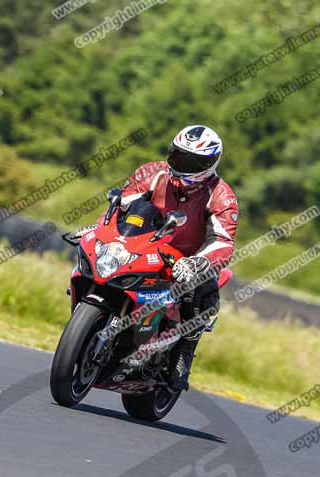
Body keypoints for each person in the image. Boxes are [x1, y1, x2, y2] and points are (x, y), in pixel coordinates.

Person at [102, 125, 239, 390]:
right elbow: (121, 205)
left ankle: (183, 351)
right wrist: (101, 230)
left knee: (203, 290)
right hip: (143, 245)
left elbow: (223, 242)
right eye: (178, 155)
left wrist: (198, 263)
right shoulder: (152, 173)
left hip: (185, 259)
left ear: (210, 163)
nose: (182, 165)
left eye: (193, 161)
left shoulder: (222, 196)